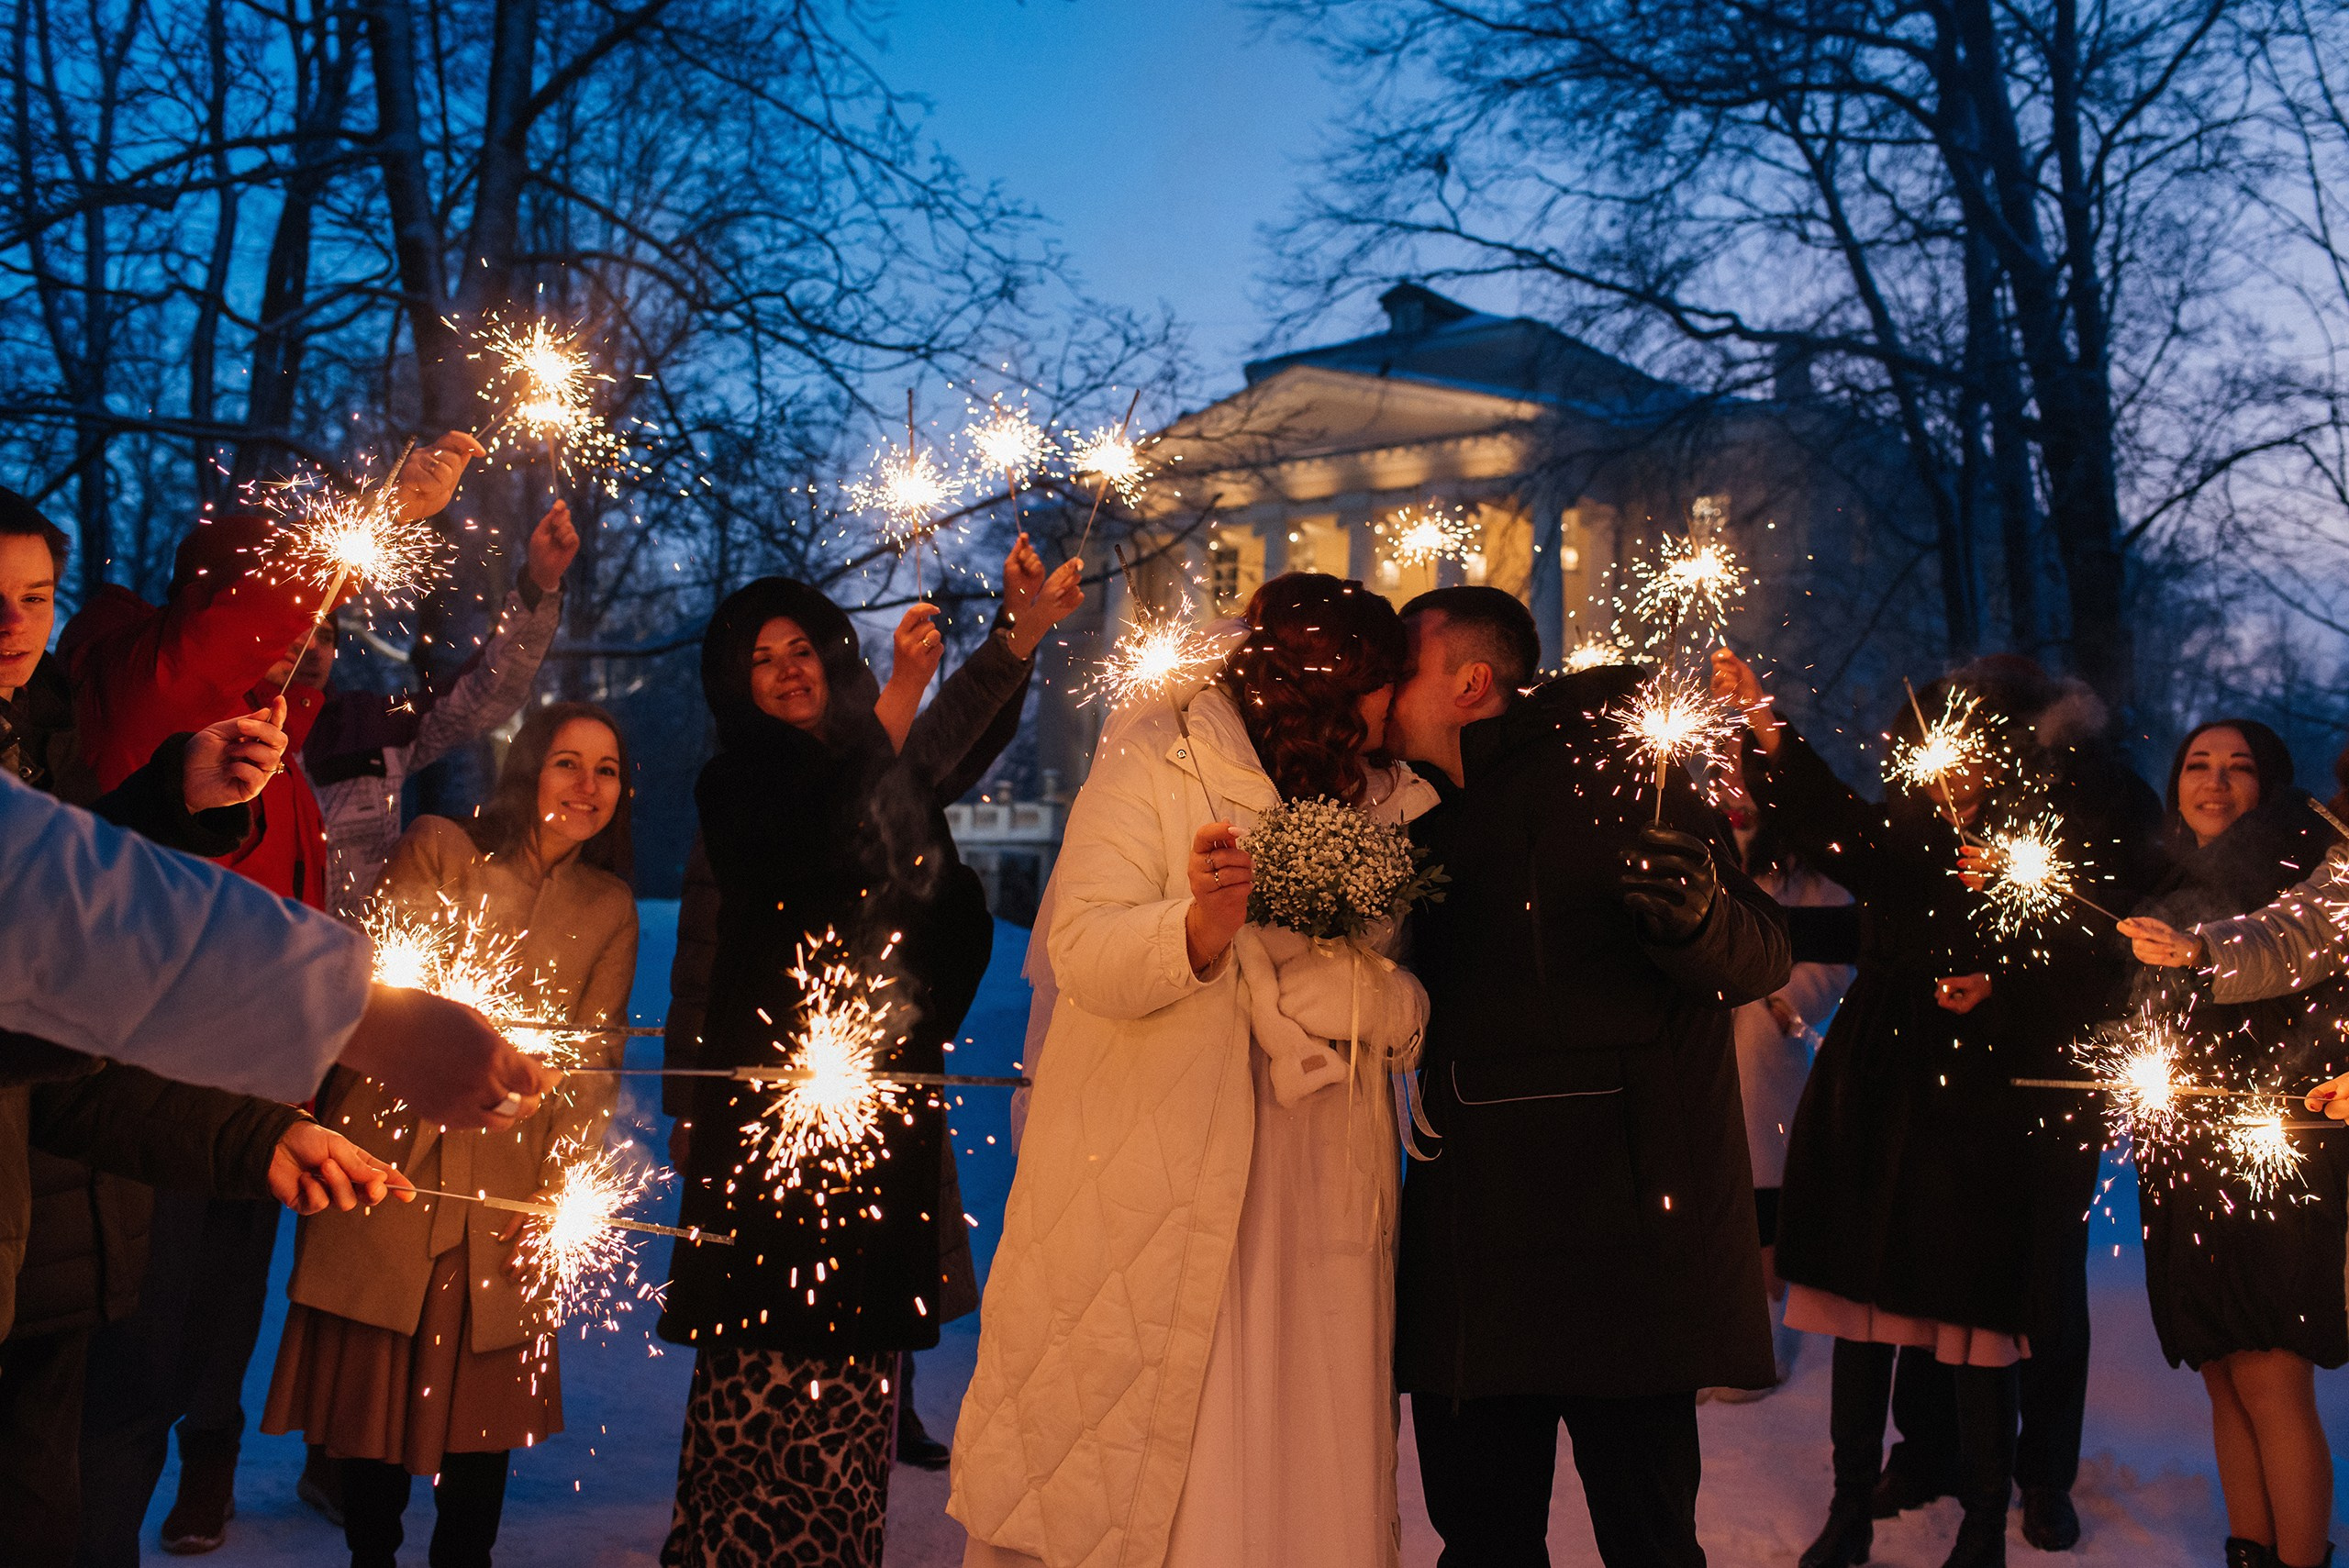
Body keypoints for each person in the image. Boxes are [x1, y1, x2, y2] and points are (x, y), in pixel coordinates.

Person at [60, 432, 485, 1562]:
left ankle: (201, 1469)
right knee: (129, 1360)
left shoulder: (278, 745)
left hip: (261, 1084)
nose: (311, 647)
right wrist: (375, 516)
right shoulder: (139, 684)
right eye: (295, 616)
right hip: (139, 1092)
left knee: (217, 1313)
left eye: (325, 633)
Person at [952, 573, 1435, 1568]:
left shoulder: (1381, 799)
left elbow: (1399, 967)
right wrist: (1199, 929)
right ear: (1326, 681)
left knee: (1303, 1414)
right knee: (1174, 1415)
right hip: (1170, 1157)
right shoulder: (1158, 761)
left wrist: (1370, 994)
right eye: (1380, 678)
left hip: (1316, 1172)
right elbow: (1082, 944)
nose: (1391, 701)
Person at [0, 490, 415, 1562]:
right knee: (123, 1400)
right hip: (130, 1131)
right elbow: (70, 943)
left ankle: (199, 1471)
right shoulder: (139, 679)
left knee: (158, 1388)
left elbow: (66, 949)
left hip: (129, 1149)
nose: (13, 624)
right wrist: (350, 1012)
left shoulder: (57, 741)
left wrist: (265, 1126)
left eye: (35, 596)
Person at [657, 542, 1082, 1567]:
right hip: (764, 1120)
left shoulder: (879, 772)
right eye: (762, 657)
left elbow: (920, 766)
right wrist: (690, 1092)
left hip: (873, 1110)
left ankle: (836, 1544)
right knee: (755, 1360)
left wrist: (1014, 636)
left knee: (852, 1374)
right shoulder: (738, 784)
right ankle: (724, 1544)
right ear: (735, 681)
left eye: (803, 646)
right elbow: (775, 872)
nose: (789, 668)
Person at [1372, 588, 1786, 1568]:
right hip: (1472, 1236)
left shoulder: (1625, 776)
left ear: (1469, 681)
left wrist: (1696, 919)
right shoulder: (1400, 807)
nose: (1379, 685)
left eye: (1403, 663)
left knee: (1646, 1538)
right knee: (1479, 1538)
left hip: (1624, 1241)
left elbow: (1758, 955)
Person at [1714, 648, 2132, 1568]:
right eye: (1937, 751)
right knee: (1858, 1309)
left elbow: (2088, 965)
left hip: (1980, 1112)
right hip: (1876, 1096)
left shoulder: (2042, 850)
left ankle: (1984, 1522)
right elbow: (1824, 818)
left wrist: (2003, 983)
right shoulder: (1899, 836)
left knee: (1975, 1316)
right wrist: (1766, 723)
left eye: (1975, 751)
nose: (1956, 769)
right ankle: (1848, 1509)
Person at [262, 702, 641, 1568]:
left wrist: (560, 1192)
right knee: (373, 1427)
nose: (587, 786)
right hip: (394, 1173)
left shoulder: (610, 906)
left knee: (478, 1435)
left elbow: (593, 1068)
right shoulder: (441, 846)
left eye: (607, 769)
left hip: (504, 1194)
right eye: (566, 762)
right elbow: (383, 997)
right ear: (528, 769)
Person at [2120, 728, 2349, 1568]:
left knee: (2268, 1373)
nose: (2214, 782)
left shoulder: (2309, 869)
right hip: (2183, 1153)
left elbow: (2297, 945)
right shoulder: (2166, 877)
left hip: (2271, 1152)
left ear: (2275, 785)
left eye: (2239, 767)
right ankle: (2249, 1553)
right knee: (2220, 1369)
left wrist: (2201, 950)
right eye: (2197, 764)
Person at [307, 499, 573, 920]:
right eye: (296, 631)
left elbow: (482, 695)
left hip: (352, 956)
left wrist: (538, 587)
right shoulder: (212, 731)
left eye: (324, 634)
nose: (310, 648)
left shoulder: (370, 727)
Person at [1706, 762, 1854, 1402]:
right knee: (1710, 1187)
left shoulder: (1806, 864)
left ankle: (1761, 1333)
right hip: (1704, 1041)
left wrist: (1781, 1001)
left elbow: (1837, 951)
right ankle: (1711, 1336)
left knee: (1763, 1193)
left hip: (1765, 1047)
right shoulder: (1698, 841)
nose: (1731, 785)